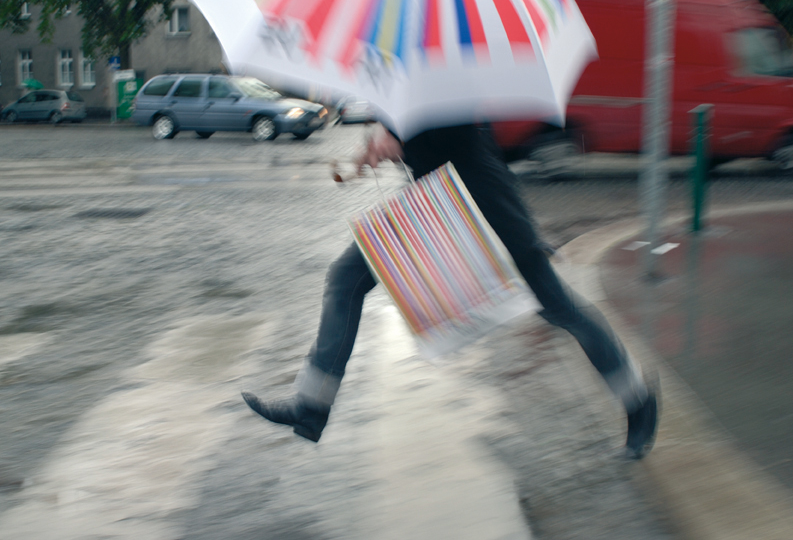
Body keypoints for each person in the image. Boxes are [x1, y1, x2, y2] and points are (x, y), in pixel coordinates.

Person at [242, 123, 659, 460]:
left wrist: (397, 136)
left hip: (484, 213)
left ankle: (639, 400)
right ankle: (311, 406)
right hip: (435, 208)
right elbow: (414, 136)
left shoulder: (443, 69)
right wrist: (380, 142)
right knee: (345, 279)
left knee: (562, 310)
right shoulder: (403, 74)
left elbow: (455, 131)